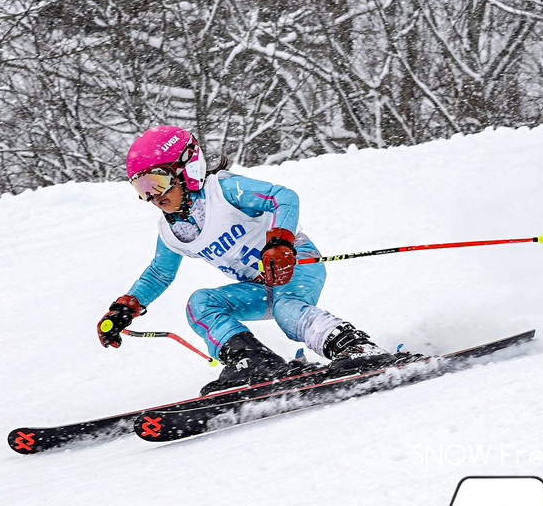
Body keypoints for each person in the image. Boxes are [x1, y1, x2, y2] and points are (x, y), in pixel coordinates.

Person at [96, 125, 390, 392]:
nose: (154, 197)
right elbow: (159, 274)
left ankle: (355, 347)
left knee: (288, 309)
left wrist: (279, 242)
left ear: (187, 168)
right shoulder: (173, 230)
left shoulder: (223, 192)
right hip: (260, 285)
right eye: (142, 189)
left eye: (158, 182)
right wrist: (126, 307)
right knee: (200, 303)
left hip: (295, 263)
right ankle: (254, 363)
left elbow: (282, 197)